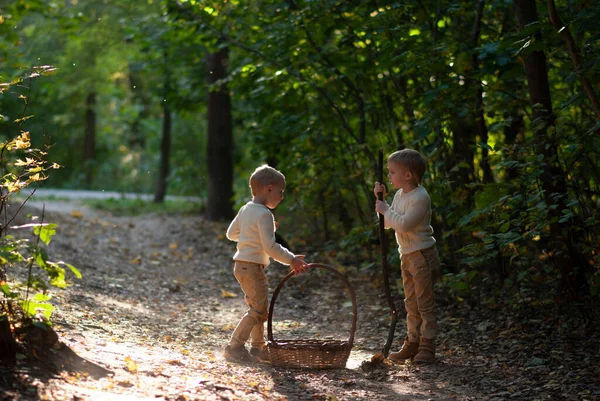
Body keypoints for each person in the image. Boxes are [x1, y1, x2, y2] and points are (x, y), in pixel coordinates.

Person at [224, 165, 308, 363]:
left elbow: (231, 234)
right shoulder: (264, 214)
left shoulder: (246, 209)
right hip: (252, 268)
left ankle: (258, 349)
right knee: (258, 310)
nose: (282, 196)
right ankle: (235, 346)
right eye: (281, 191)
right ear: (269, 189)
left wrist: (252, 232)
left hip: (241, 266)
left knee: (258, 308)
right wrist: (292, 259)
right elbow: (270, 247)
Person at [374, 149, 441, 364]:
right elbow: (386, 224)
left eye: (392, 172)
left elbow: (403, 224)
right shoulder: (399, 195)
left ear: (408, 175)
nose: (389, 176)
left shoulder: (420, 197)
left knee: (424, 302)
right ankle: (412, 342)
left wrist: (385, 210)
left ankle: (427, 344)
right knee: (410, 301)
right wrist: (381, 202)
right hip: (407, 255)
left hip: (421, 255)